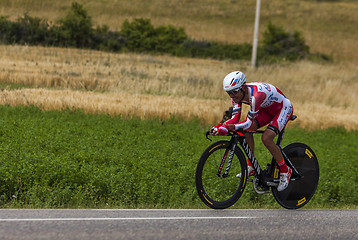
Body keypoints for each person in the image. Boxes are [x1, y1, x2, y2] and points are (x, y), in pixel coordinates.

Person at [210, 71, 293, 191]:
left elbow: (248, 122)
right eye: (229, 93)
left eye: (234, 92)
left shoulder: (256, 96)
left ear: (243, 87)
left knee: (266, 138)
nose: (232, 96)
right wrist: (220, 126)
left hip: (283, 108)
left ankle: (285, 171)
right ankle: (252, 166)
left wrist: (229, 127)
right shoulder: (237, 95)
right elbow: (235, 118)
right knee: (246, 131)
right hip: (266, 109)